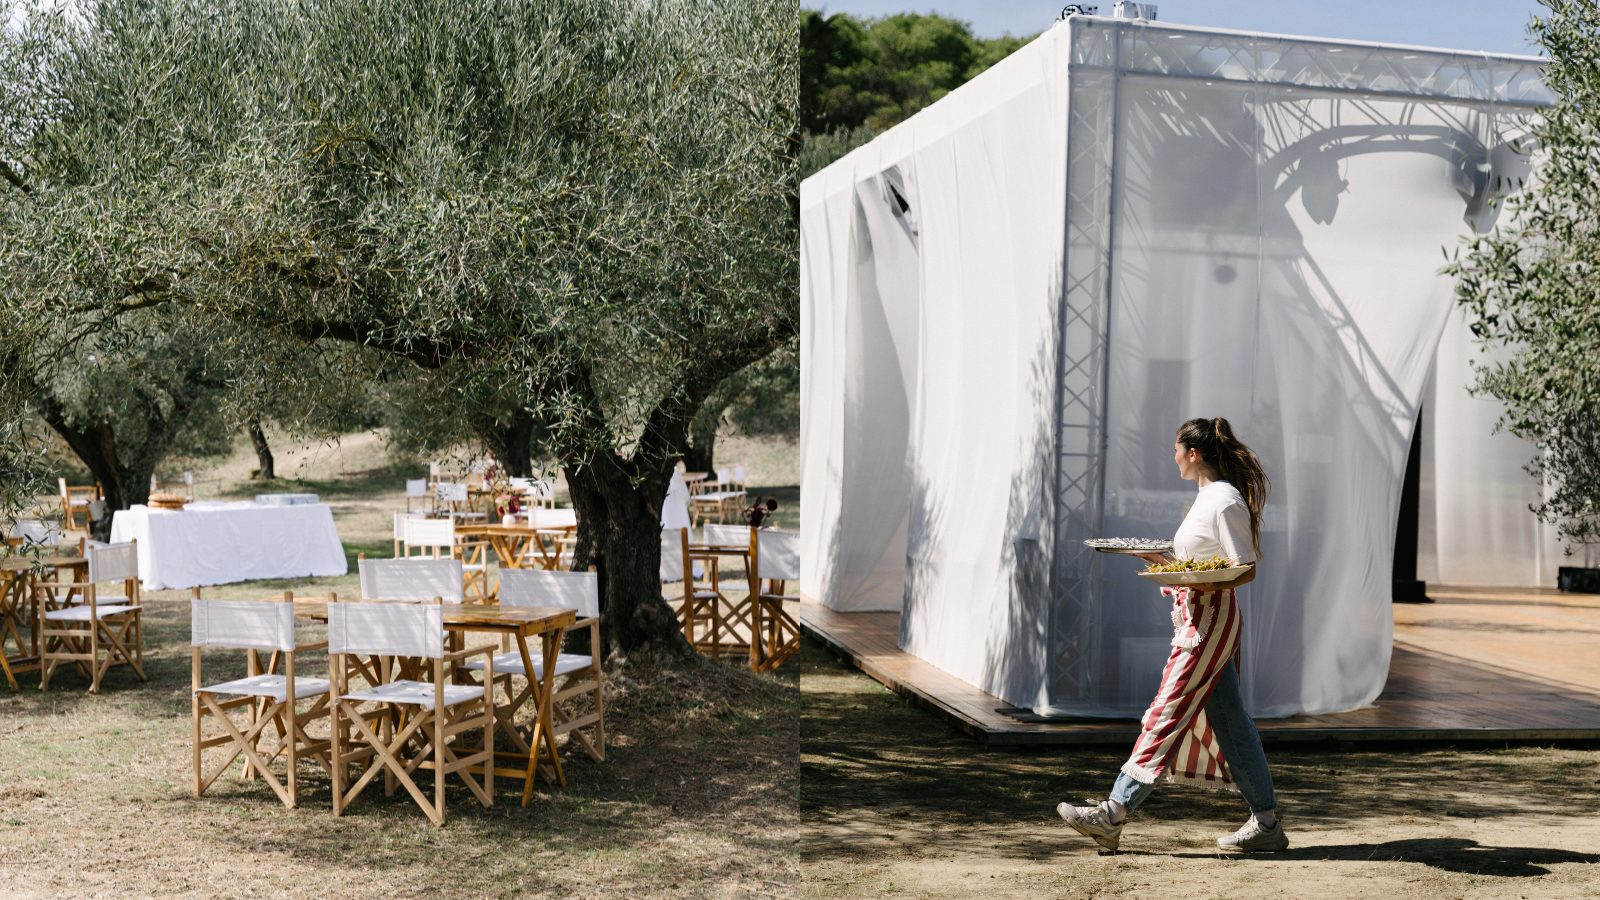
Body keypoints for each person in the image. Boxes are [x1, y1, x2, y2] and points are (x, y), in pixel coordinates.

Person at [1057, 417, 1288, 853]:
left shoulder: (1224, 501)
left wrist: (1196, 581)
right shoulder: (1206, 498)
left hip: (1209, 625)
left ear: (1193, 453)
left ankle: (1112, 813)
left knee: (1167, 708)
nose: (1174, 457)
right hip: (1193, 621)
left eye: (1177, 450)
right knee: (1232, 725)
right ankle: (1267, 825)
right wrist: (1158, 558)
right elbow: (1199, 562)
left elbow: (1246, 567)